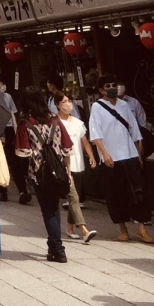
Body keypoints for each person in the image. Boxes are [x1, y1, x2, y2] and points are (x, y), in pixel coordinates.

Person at [88, 74, 154, 244]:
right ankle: (123, 229)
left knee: (139, 191)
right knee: (116, 194)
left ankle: (141, 228)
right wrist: (104, 154)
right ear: (101, 90)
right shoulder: (97, 107)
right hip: (112, 157)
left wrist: (139, 152)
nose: (112, 88)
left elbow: (134, 130)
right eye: (108, 86)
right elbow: (96, 133)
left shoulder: (125, 105)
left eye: (113, 84)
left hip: (130, 154)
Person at [16, 85, 72, 263]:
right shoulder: (55, 119)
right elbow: (67, 147)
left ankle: (58, 249)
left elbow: (23, 152)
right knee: (54, 208)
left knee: (48, 210)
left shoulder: (25, 123)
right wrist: (68, 172)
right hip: (59, 171)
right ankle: (53, 246)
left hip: (39, 173)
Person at [54, 92, 96, 243]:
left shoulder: (78, 123)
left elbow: (84, 141)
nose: (68, 104)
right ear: (57, 105)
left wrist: (91, 156)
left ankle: (70, 228)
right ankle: (84, 230)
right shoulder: (55, 123)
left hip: (78, 164)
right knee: (73, 197)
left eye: (70, 101)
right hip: (64, 165)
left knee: (75, 197)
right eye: (64, 101)